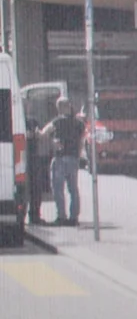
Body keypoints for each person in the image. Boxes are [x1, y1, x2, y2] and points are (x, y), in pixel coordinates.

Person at [44, 96, 87, 226]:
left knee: (58, 189)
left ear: (61, 107)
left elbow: (44, 132)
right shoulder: (79, 123)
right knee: (73, 188)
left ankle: (61, 217)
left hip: (60, 158)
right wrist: (78, 156)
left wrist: (49, 140)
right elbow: (81, 142)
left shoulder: (57, 122)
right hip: (73, 158)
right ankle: (74, 218)